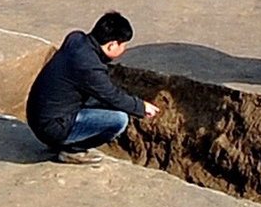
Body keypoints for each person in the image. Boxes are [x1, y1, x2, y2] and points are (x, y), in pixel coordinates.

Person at [24, 11, 159, 165]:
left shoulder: (76, 39)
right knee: (119, 120)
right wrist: (141, 107)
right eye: (123, 45)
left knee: (98, 100)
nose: (125, 50)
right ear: (112, 44)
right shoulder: (89, 66)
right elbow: (113, 96)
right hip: (51, 127)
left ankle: (65, 141)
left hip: (38, 115)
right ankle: (70, 150)